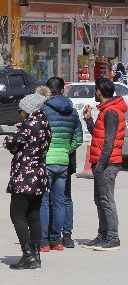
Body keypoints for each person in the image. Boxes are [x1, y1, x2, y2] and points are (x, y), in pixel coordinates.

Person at [5, 93, 52, 269]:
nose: (20, 114)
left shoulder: (29, 125)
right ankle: (36, 255)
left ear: (27, 111)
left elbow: (11, 142)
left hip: (25, 175)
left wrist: (13, 137)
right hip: (39, 174)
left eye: (21, 110)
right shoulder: (45, 123)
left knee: (17, 214)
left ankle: (27, 255)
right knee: (33, 215)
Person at [40, 77, 83, 252]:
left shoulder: (43, 110)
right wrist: (66, 149)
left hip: (46, 160)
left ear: (47, 91)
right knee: (61, 201)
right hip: (64, 162)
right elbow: (79, 138)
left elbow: (38, 135)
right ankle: (57, 239)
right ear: (63, 90)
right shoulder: (72, 111)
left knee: (43, 201)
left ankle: (43, 241)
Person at [83, 77, 126, 250]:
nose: (95, 93)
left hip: (108, 164)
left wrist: (101, 165)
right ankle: (103, 234)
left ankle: (112, 237)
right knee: (99, 199)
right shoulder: (106, 110)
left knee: (106, 200)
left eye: (95, 90)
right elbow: (98, 135)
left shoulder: (111, 112)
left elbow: (109, 142)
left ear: (99, 91)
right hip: (103, 163)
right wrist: (88, 120)